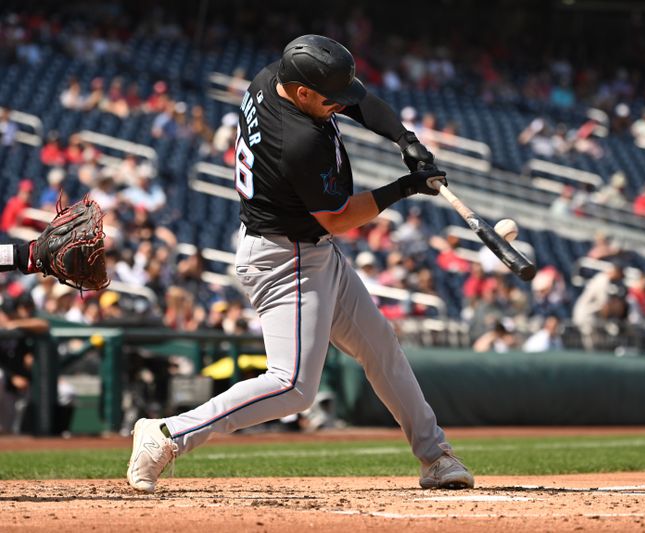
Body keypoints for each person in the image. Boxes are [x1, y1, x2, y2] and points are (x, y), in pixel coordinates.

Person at [127, 34, 473, 493]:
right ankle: (168, 434)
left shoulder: (276, 76)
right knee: (293, 385)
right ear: (304, 92)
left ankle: (435, 457)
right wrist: (407, 187)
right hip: (283, 257)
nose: (339, 106)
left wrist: (404, 138)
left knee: (380, 347)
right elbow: (342, 215)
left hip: (309, 247)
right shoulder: (297, 141)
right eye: (329, 100)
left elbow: (359, 102)